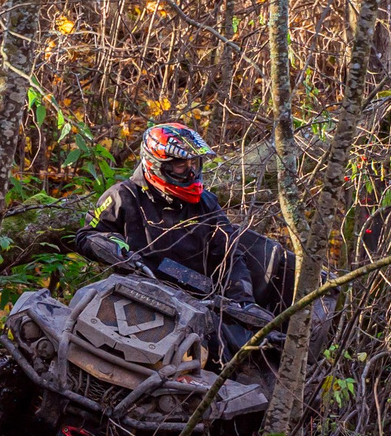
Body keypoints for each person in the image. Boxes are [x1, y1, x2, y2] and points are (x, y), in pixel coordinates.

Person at [76, 122, 291, 311]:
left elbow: (229, 254)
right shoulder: (122, 196)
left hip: (196, 301)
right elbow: (87, 235)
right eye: (181, 165)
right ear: (157, 164)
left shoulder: (206, 203)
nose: (190, 172)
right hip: (134, 292)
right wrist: (116, 248)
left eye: (194, 164)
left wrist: (242, 300)